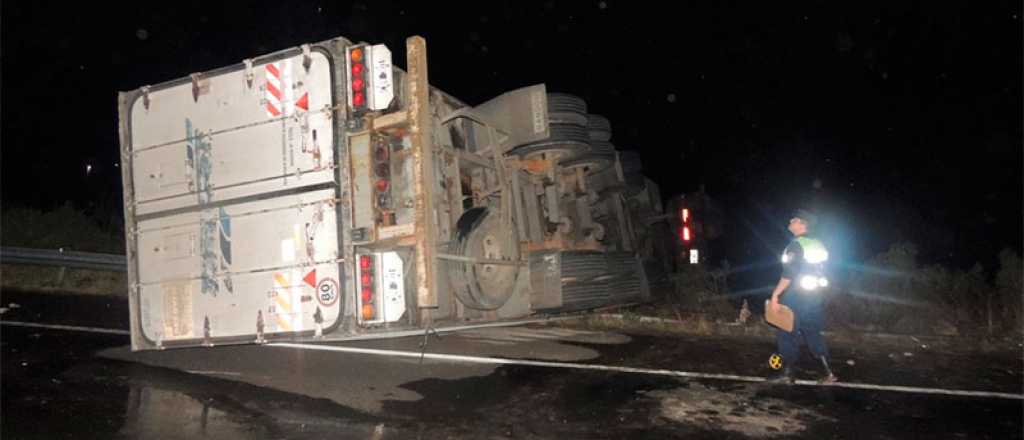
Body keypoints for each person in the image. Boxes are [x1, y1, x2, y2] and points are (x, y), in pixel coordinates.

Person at [767, 209, 838, 384]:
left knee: (786, 330)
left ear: (803, 224)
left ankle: (788, 373)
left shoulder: (796, 245)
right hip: (814, 295)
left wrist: (775, 295)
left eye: (795, 219)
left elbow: (789, 274)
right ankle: (828, 372)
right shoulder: (817, 243)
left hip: (796, 295)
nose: (791, 220)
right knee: (812, 331)